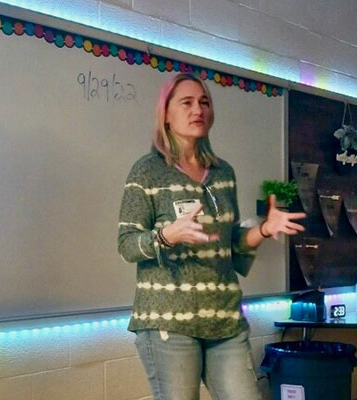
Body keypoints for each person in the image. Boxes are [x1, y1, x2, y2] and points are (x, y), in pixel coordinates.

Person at [117, 73, 306, 400]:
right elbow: (127, 244)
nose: (198, 110)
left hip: (224, 319)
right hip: (168, 322)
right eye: (187, 103)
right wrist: (166, 236)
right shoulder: (147, 171)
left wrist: (262, 230)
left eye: (204, 102)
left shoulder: (222, 173)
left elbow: (229, 245)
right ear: (166, 114)